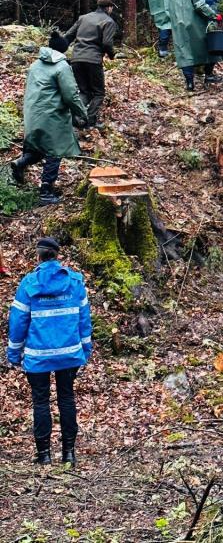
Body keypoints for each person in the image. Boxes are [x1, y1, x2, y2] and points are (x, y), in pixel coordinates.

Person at [7, 237, 92, 466]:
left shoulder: (29, 283)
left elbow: (17, 322)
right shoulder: (75, 282)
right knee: (66, 398)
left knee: (41, 402)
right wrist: (86, 348)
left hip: (38, 356)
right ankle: (69, 454)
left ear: (38, 256)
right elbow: (84, 319)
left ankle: (44, 456)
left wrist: (14, 353)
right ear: (57, 255)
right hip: (69, 354)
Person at [10, 35, 88, 205]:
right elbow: (71, 95)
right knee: (55, 151)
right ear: (63, 50)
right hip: (52, 115)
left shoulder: (34, 65)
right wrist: (83, 113)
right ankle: (46, 191)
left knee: (38, 147)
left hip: (32, 114)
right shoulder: (62, 66)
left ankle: (21, 162)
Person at [63, 0, 118, 130]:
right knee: (99, 93)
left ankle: (75, 116)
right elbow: (106, 43)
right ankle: (90, 121)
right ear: (109, 7)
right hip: (93, 60)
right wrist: (112, 55)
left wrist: (58, 50)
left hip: (76, 59)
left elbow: (68, 36)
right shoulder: (108, 21)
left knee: (84, 91)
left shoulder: (83, 18)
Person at [167, 0, 218, 91]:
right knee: (209, 48)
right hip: (196, 25)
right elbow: (200, 5)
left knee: (184, 53)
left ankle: (190, 83)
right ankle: (209, 75)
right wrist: (213, 15)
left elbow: (169, 10)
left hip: (178, 26)